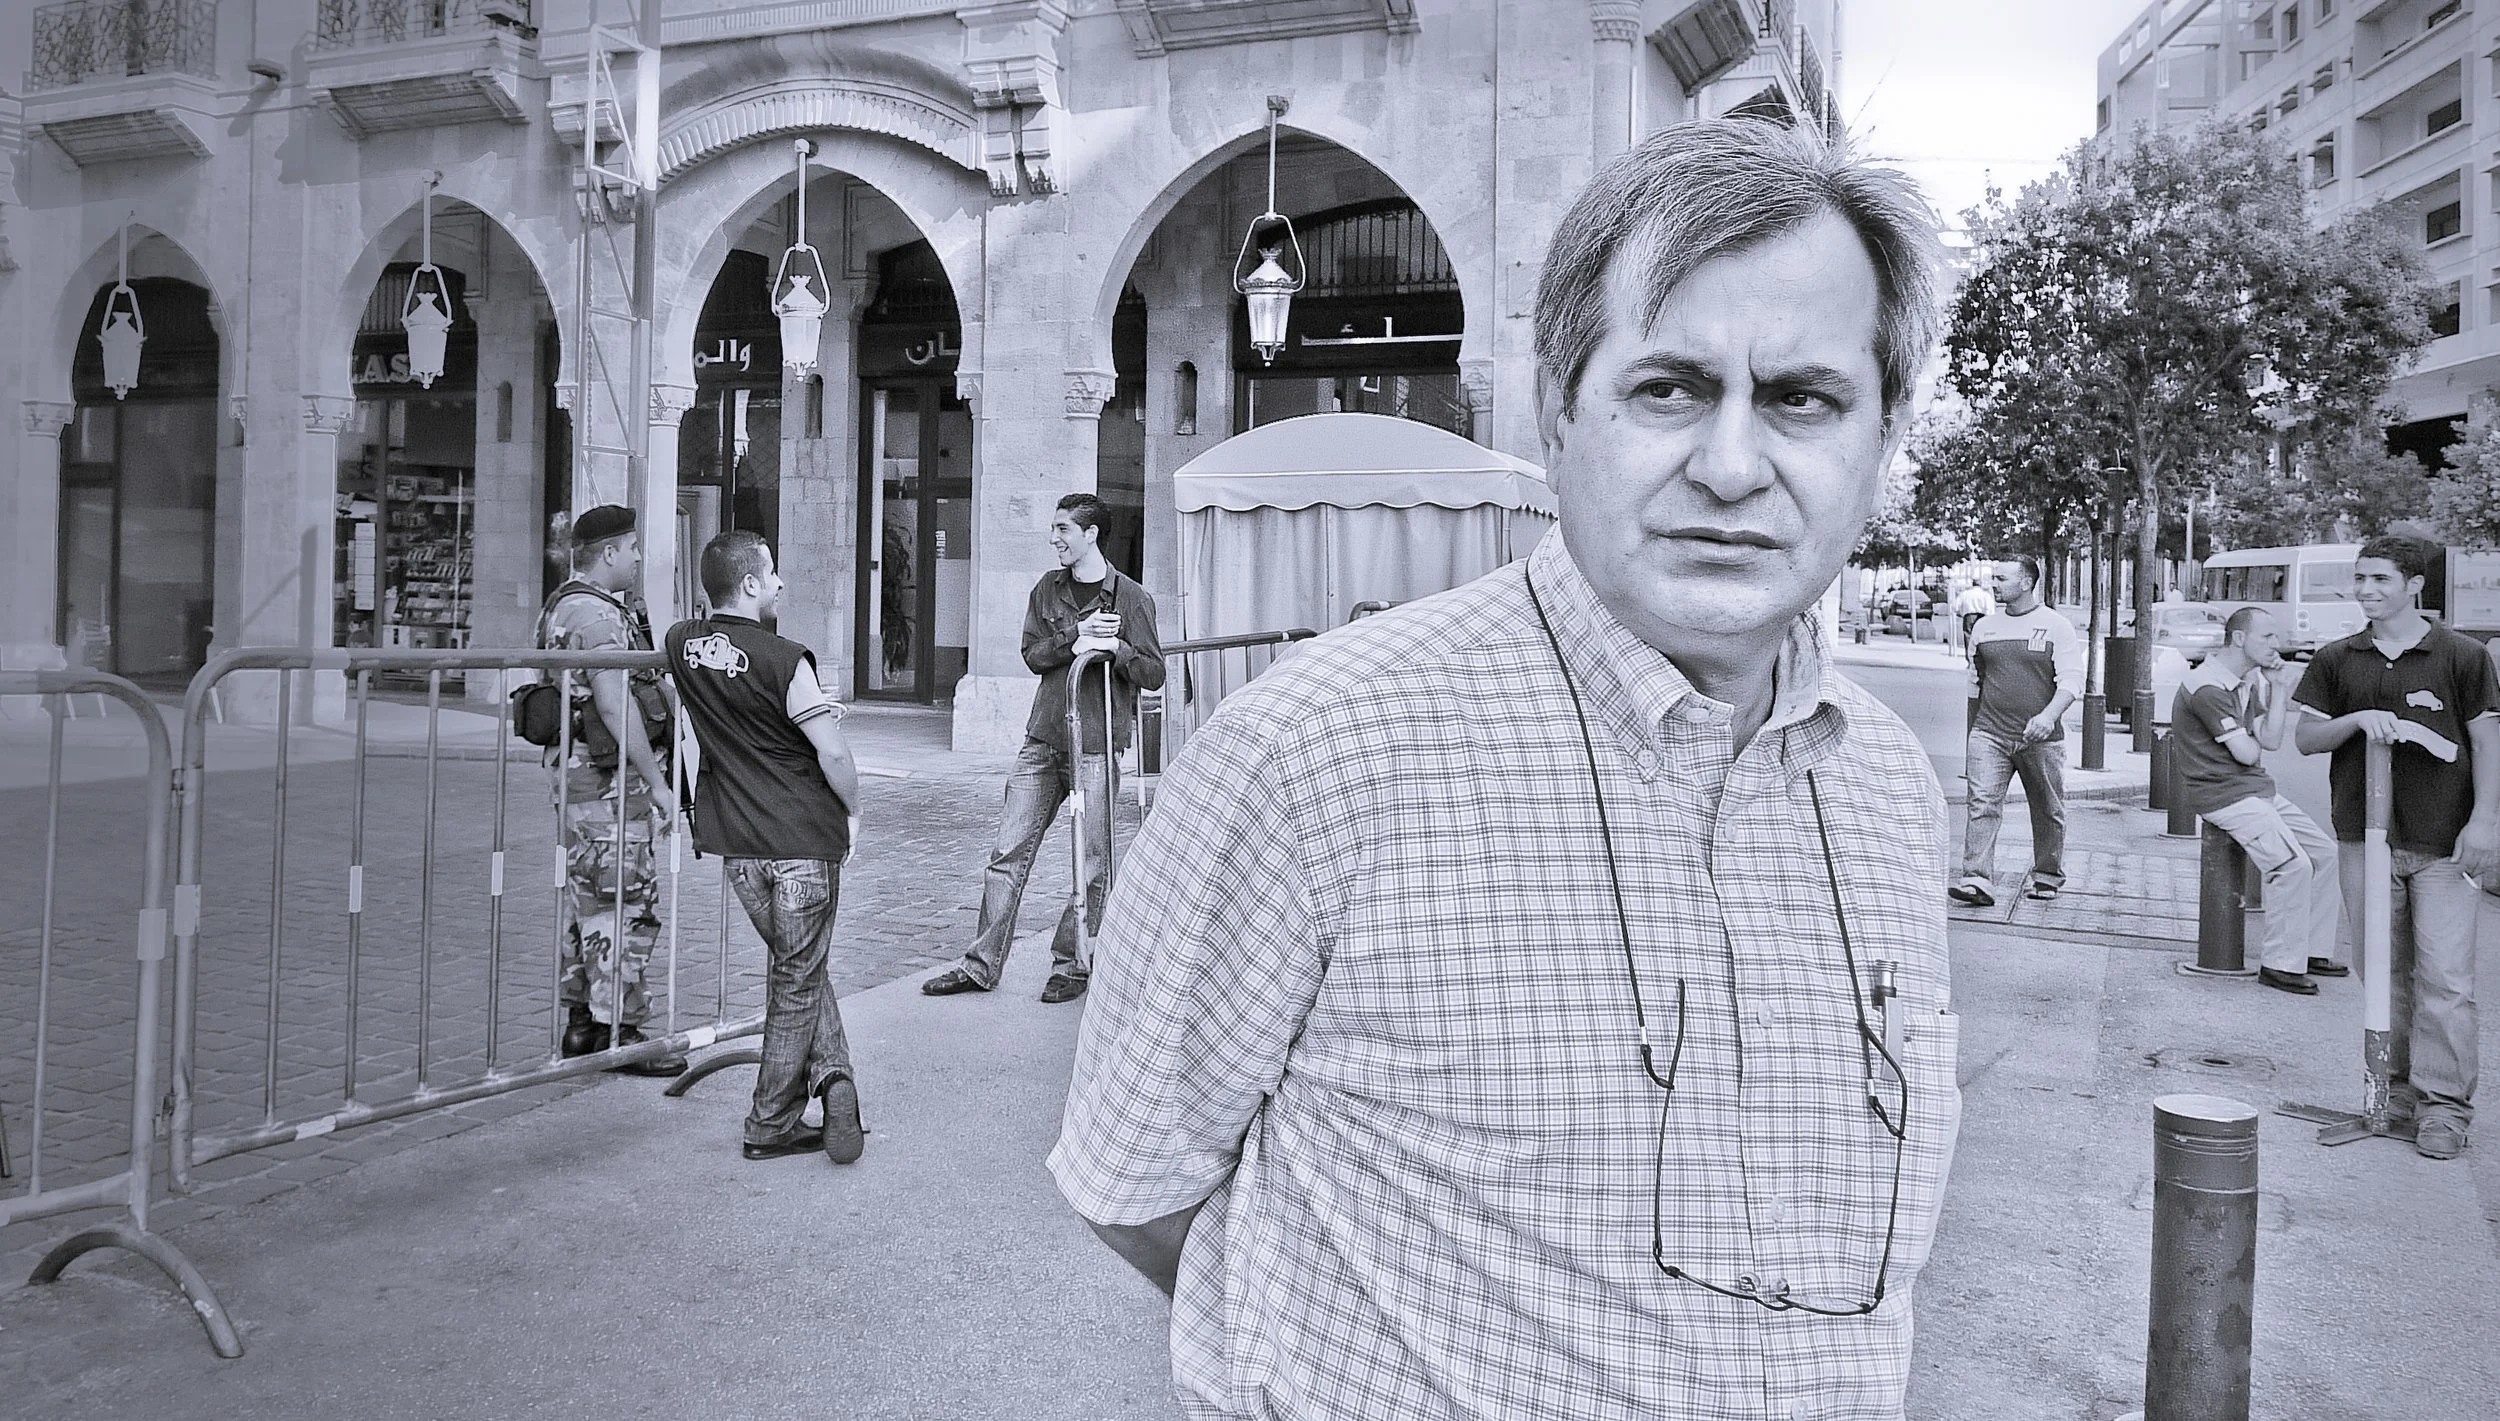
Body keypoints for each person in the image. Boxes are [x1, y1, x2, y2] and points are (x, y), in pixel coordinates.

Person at [1051, 119, 1960, 1419]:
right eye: (1669, 387)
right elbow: (1139, 1184)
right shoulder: (1310, 756)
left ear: (1883, 433)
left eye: (1803, 397)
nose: (1731, 463)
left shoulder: (1887, 789)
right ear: (1558, 409)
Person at [2292, 535, 2500, 1161]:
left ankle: (2444, 1106)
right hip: (2363, 838)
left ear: (2415, 584)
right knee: (2380, 970)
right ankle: (2398, 1090)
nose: (2366, 591)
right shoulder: (2337, 657)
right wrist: (2355, 721)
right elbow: (2305, 738)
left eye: (2380, 580)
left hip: (2443, 844)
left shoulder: (2461, 656)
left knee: (2445, 979)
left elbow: (2487, 744)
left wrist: (2485, 822)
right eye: (2360, 580)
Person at [665, 531, 866, 1164]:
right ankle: (770, 1120)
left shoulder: (679, 644)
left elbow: (732, 695)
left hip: (738, 846)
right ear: (750, 585)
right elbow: (831, 750)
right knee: (798, 978)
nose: (779, 583)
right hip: (801, 837)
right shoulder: (787, 660)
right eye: (771, 573)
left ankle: (835, 1081)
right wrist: (855, 809)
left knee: (798, 969)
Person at [922, 493, 1165, 1005]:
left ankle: (1072, 962)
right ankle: (980, 964)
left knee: (1094, 861)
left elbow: (1155, 672)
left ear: (1091, 534)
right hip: (1044, 738)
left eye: (1063, 530)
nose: (1054, 538)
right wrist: (1075, 638)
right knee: (1007, 852)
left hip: (1097, 743)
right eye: (1054, 529)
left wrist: (1115, 650)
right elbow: (1032, 655)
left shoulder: (1132, 598)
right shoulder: (1046, 590)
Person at [538, 505, 684, 1077]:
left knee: (591, 904)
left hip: (583, 782)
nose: (640, 558)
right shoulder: (594, 617)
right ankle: (623, 1033)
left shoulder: (566, 604)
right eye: (632, 548)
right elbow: (612, 702)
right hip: (607, 786)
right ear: (608, 554)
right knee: (625, 902)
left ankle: (585, 1027)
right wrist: (657, 781)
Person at [2169, 607, 2344, 994]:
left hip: (2253, 789)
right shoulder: (2208, 687)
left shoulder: (2246, 681)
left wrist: (2279, 689)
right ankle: (2280, 964)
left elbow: (2270, 740)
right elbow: (2248, 752)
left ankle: (2312, 949)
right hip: (2222, 794)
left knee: (2324, 854)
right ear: (2239, 638)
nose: (2276, 645)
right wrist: (2259, 718)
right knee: (2291, 865)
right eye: (2267, 637)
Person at [1951, 554, 2082, 907]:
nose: (1994, 584)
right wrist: (1972, 735)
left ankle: (2046, 876)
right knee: (1982, 804)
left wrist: (2048, 717)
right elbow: (1974, 684)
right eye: (1993, 578)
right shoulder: (1984, 628)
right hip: (1989, 733)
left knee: (2047, 808)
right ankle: (1976, 880)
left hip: (2040, 738)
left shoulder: (2056, 626)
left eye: (2002, 579)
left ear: (2026, 582)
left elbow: (2071, 681)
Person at [1953, 579, 1992, 660]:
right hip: (1982, 616)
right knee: (1981, 636)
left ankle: (1970, 657)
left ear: (1972, 584)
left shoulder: (1965, 594)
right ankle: (1981, 656)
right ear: (1980, 584)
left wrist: (1960, 612)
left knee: (1968, 636)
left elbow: (1955, 606)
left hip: (1968, 615)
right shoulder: (1985, 594)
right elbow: (1990, 608)